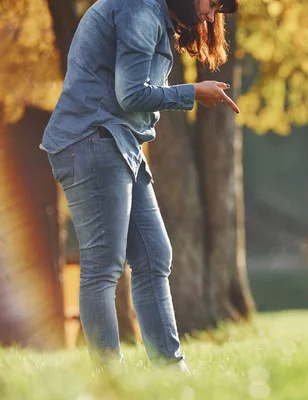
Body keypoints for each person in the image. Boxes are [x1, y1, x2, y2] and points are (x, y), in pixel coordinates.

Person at [40, 0, 240, 372]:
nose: (212, 16)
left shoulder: (155, 16)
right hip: (92, 139)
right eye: (211, 4)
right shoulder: (138, 11)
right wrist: (192, 93)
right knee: (103, 267)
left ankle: (169, 370)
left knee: (154, 257)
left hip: (120, 141)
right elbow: (131, 94)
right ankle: (110, 378)